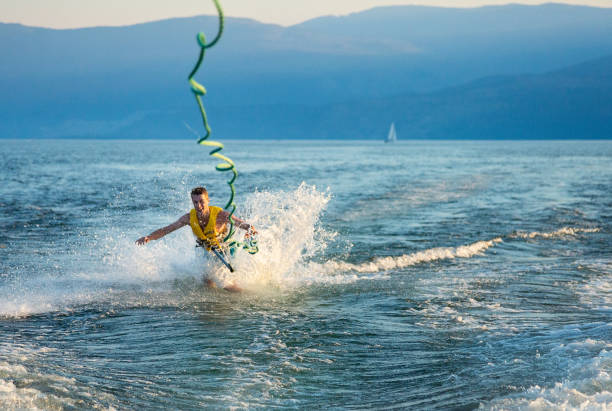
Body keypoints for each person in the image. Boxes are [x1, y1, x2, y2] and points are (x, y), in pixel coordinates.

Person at [135, 187, 256, 291]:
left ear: (208, 200)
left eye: (202, 201)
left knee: (225, 284)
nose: (199, 206)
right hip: (207, 251)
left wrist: (250, 229)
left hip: (225, 251)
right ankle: (214, 308)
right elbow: (166, 229)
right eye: (195, 202)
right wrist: (149, 237)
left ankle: (247, 297)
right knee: (206, 282)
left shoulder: (221, 215)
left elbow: (242, 224)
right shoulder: (188, 218)